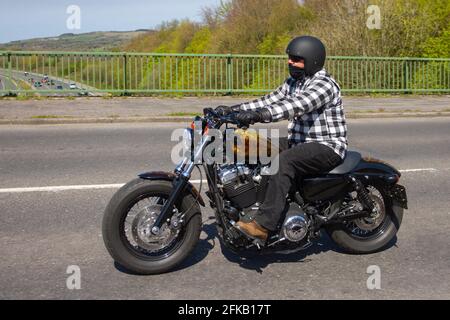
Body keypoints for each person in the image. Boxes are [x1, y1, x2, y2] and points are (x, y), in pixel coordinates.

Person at [214, 36, 348, 242]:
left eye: (296, 59)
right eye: (290, 58)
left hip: (326, 146)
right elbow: (270, 100)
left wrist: (260, 116)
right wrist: (232, 111)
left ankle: (263, 225)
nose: (290, 63)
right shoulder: (293, 83)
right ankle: (252, 201)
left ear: (312, 60)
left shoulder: (324, 85)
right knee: (254, 146)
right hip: (299, 141)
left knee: (283, 161)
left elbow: (296, 105)